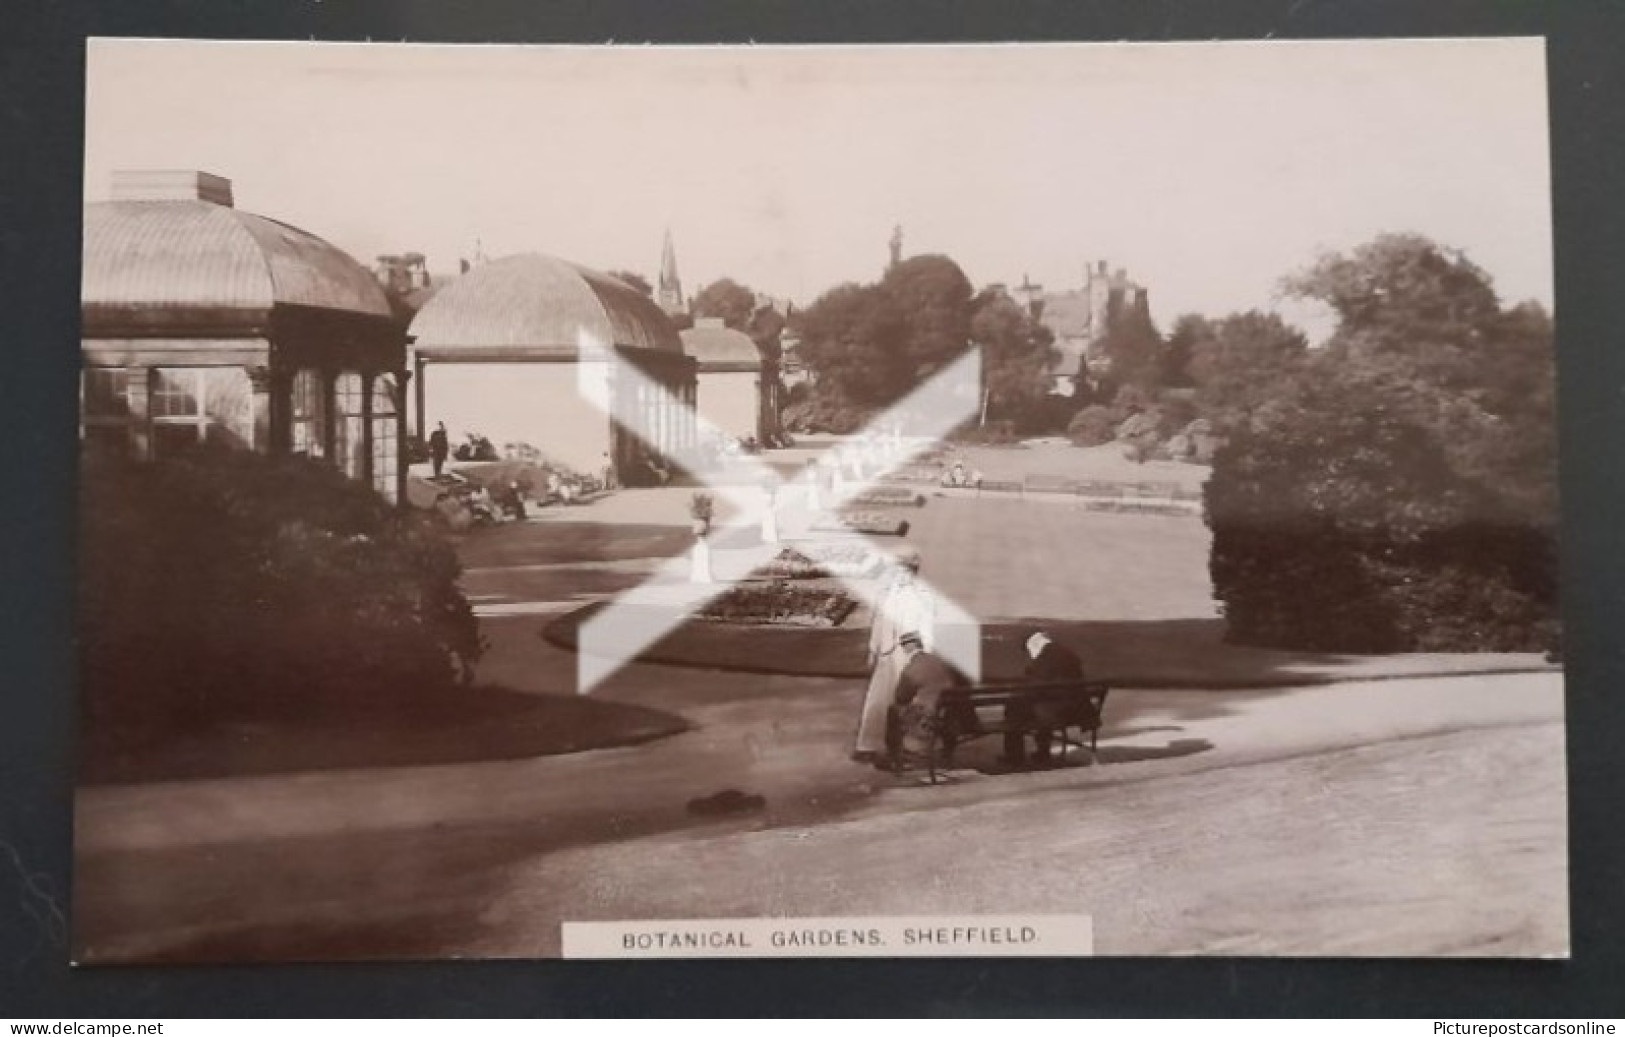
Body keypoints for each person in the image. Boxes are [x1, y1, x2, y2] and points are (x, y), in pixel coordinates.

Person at [852, 547, 934, 764]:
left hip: (906, 653)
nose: (895, 573)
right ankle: (866, 745)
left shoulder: (921, 596)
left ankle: (899, 748)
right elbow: (879, 623)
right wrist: (873, 649)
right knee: (876, 700)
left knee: (898, 702)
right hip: (886, 651)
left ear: (911, 570)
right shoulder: (887, 592)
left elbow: (926, 628)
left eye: (901, 569)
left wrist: (921, 655)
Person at [886, 631, 974, 769]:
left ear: (909, 646)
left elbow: (901, 697)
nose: (903, 649)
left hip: (931, 717)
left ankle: (894, 758)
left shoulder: (911, 669)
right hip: (953, 713)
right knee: (943, 708)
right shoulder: (940, 661)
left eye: (903, 645)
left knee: (892, 712)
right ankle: (947, 753)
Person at [1002, 629, 1087, 768]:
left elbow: (1036, 688)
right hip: (1077, 709)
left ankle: (1014, 756)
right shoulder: (1067, 653)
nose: (1030, 655)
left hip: (1057, 711)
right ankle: (1043, 751)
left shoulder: (1044, 659)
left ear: (1033, 645)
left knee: (1015, 709)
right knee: (1035, 706)